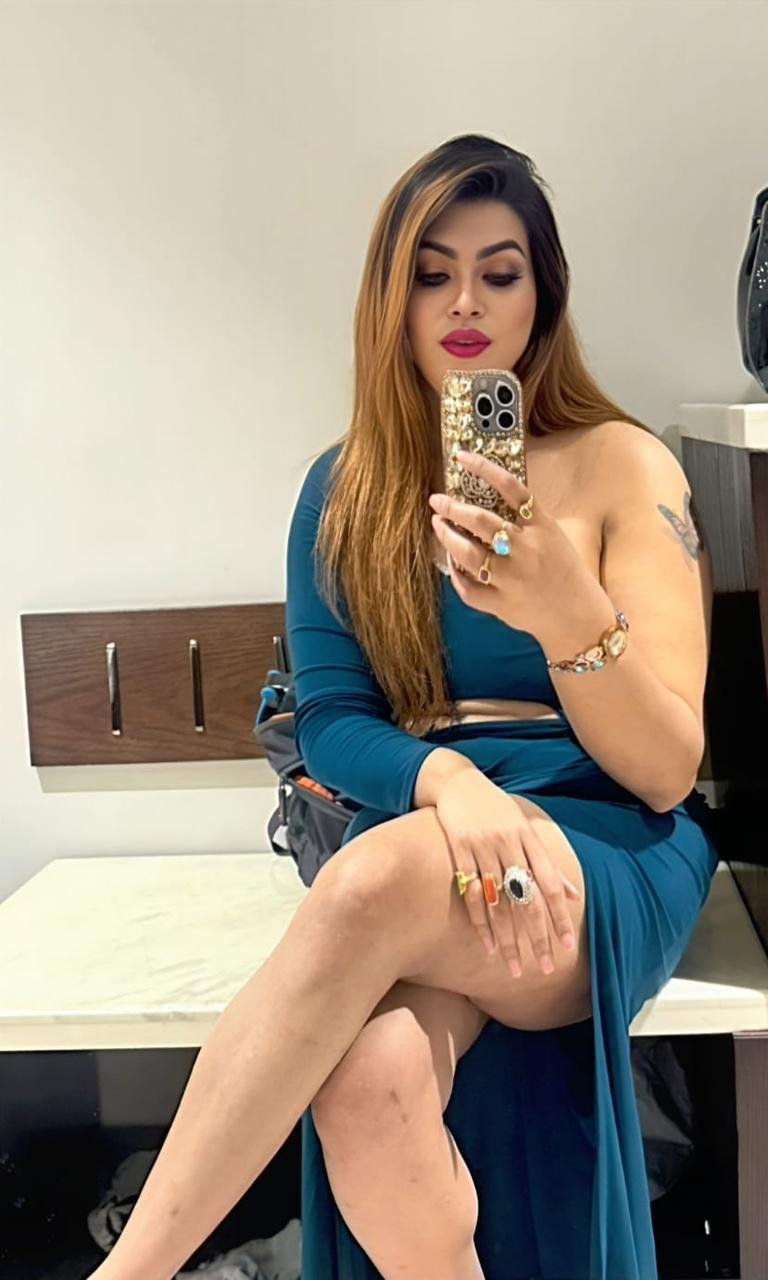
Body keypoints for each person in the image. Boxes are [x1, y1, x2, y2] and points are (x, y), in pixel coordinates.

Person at [86, 134, 720, 1280]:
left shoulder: (625, 464)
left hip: (604, 840)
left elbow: (668, 769)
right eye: (433, 273)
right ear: (392, 295)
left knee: (369, 878)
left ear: (543, 294)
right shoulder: (345, 489)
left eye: (499, 271)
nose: (466, 301)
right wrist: (449, 779)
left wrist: (567, 612)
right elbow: (331, 722)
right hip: (441, 832)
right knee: (370, 1077)